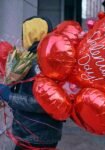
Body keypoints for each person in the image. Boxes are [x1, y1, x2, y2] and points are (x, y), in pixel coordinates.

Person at [0, 17, 63, 149]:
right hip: (38, 133)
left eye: (24, 34)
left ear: (31, 35)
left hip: (35, 135)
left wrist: (9, 96)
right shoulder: (40, 59)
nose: (22, 39)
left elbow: (43, 102)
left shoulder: (41, 64)